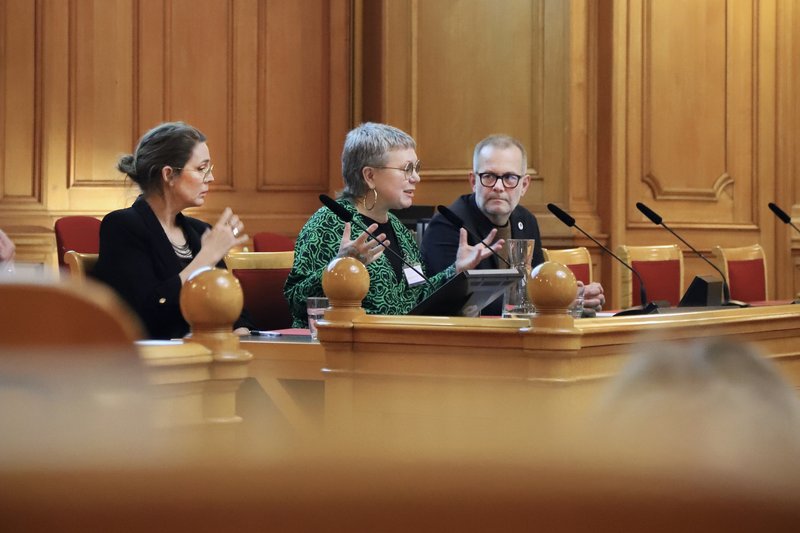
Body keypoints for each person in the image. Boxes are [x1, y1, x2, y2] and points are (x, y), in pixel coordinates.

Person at [284, 122, 502, 327]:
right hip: (343, 350)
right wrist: (340, 265)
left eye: (416, 168)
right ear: (369, 176)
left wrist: (456, 271)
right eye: (406, 169)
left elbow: (416, 301)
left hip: (400, 346)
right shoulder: (329, 223)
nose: (416, 177)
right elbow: (295, 301)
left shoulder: (399, 229)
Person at [93, 122, 253, 339]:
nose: (211, 178)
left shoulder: (200, 231)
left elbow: (237, 314)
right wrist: (205, 259)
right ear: (168, 174)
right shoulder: (122, 226)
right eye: (201, 169)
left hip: (208, 357)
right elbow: (145, 314)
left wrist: (241, 336)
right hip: (151, 364)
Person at [421, 134, 605, 315]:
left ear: (524, 185)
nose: (499, 187)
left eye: (509, 177)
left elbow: (537, 283)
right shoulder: (448, 224)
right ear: (473, 182)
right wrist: (556, 302)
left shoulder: (526, 221)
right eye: (489, 176)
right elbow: (459, 302)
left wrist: (574, 295)